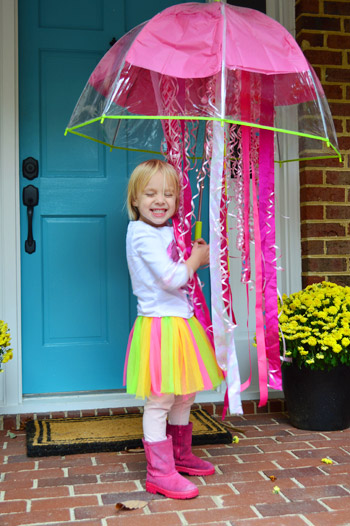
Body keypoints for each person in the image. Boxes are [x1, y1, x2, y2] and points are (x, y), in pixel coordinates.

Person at [124, 159, 224, 500]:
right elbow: (172, 278)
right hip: (160, 328)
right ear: (135, 199)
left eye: (168, 194)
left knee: (185, 393)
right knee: (161, 398)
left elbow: (182, 265)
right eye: (150, 193)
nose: (160, 200)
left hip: (181, 325)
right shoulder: (139, 233)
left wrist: (195, 250)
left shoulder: (170, 229)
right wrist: (194, 262)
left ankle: (180, 455)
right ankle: (159, 471)